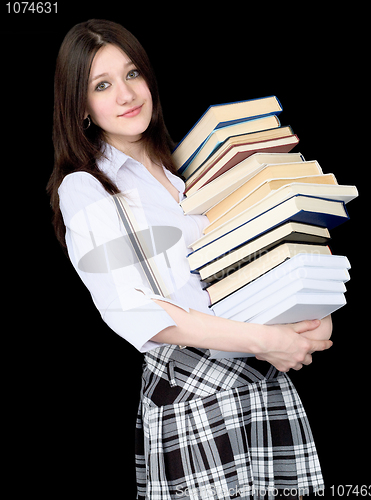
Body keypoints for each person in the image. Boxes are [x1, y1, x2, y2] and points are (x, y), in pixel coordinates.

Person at [47, 19, 332, 500]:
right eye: (102, 84)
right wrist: (265, 339)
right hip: (194, 394)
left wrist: (310, 310)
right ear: (81, 107)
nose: (125, 94)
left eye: (132, 74)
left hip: (260, 383)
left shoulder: (189, 173)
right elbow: (141, 313)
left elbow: (259, 264)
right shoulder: (88, 187)